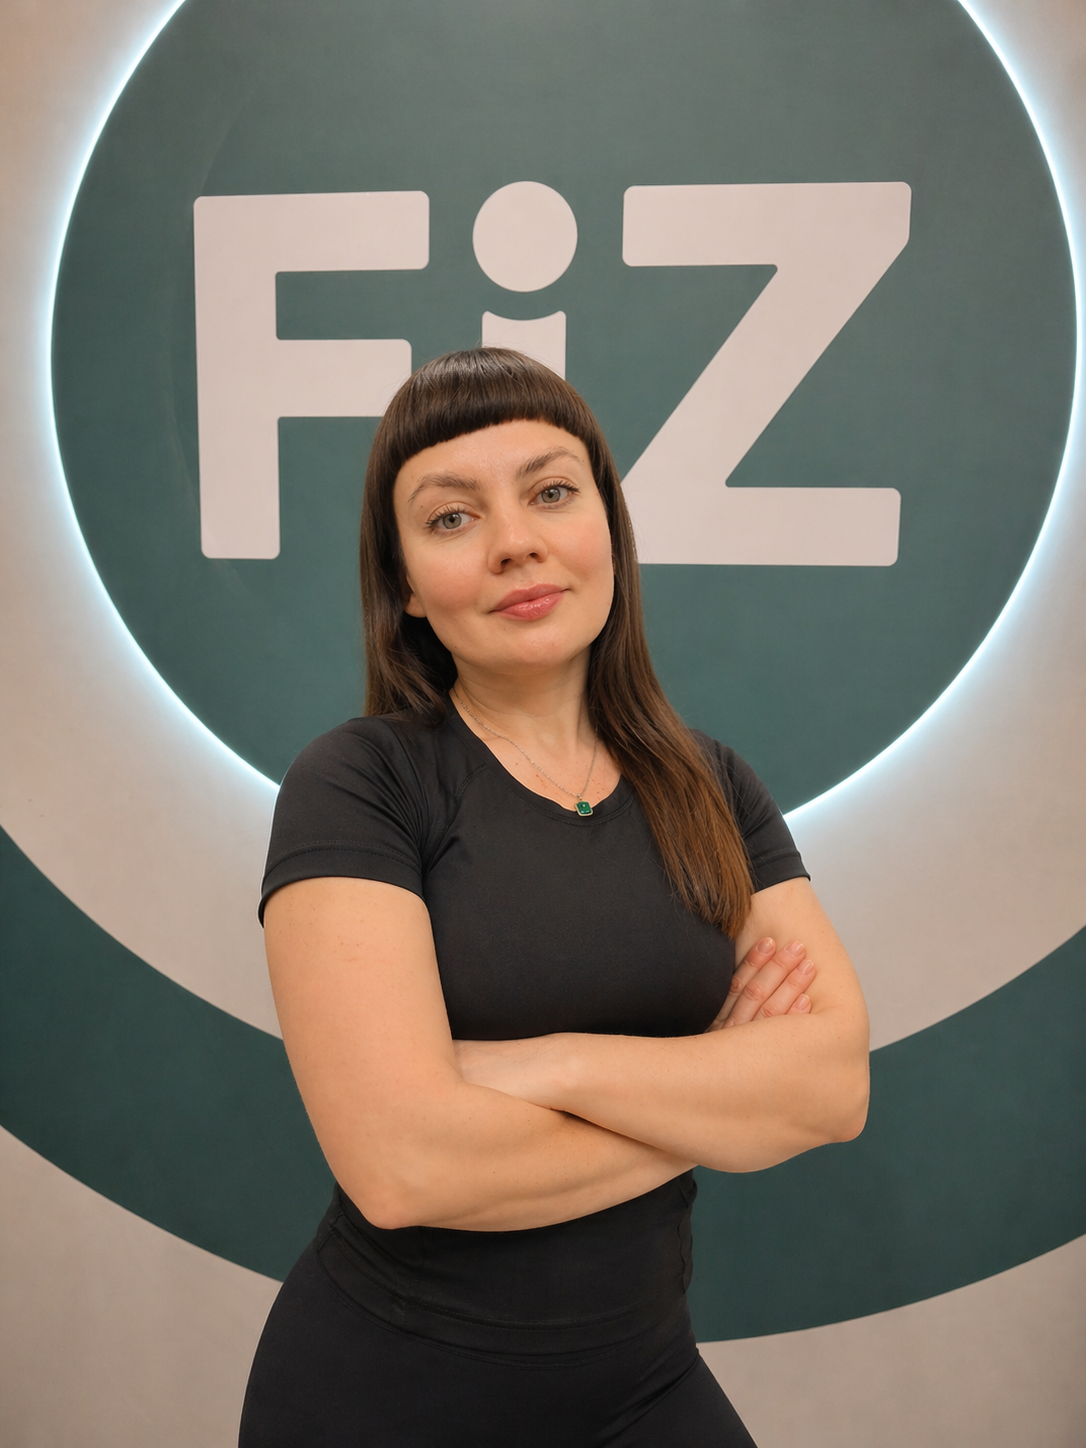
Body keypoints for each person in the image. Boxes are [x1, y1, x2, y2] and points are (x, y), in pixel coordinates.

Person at [239, 349, 870, 1447]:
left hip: (643, 1385)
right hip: (387, 1400)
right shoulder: (359, 782)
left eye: (551, 492)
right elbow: (404, 1167)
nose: (514, 541)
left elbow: (833, 1086)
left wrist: (551, 1066)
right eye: (451, 517)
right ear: (404, 584)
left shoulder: (713, 783)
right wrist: (718, 1103)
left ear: (606, 528)